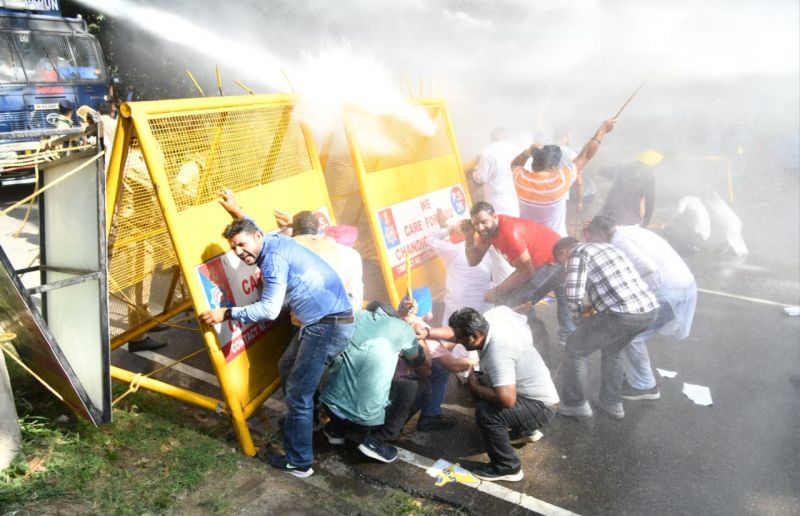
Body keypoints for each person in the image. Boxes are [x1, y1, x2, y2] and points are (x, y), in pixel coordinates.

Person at [199, 190, 354, 478]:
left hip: (327, 326)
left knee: (297, 392)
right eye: (233, 248)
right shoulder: (273, 240)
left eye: (241, 245)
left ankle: (300, 462)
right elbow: (251, 228)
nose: (238, 252)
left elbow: (269, 310)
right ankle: (309, 421)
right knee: (287, 367)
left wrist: (227, 313)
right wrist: (237, 212)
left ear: (257, 238)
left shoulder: (272, 261)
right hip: (323, 321)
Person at [425, 306, 559, 482]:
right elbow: (454, 334)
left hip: (542, 407)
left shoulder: (498, 353)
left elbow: (507, 400)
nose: (456, 341)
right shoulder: (488, 325)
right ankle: (525, 430)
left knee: (486, 413)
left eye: (460, 338)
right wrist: (427, 331)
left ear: (475, 336)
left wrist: (474, 386)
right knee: (483, 381)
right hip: (535, 395)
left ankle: (507, 466)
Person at [585, 215, 697, 400]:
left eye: (594, 238)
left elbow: (646, 267)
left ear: (602, 233)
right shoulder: (628, 230)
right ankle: (635, 376)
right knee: (630, 333)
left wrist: (623, 292)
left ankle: (645, 386)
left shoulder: (620, 241)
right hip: (680, 285)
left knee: (630, 335)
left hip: (669, 292)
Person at [553, 237, 658, 420]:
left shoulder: (577, 253)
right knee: (613, 350)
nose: (563, 267)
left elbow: (573, 293)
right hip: (648, 310)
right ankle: (611, 403)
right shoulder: (607, 248)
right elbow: (612, 285)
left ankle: (574, 404)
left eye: (559, 262)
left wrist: (578, 319)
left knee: (575, 347)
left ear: (563, 253)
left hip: (622, 313)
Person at [320, 301, 431, 464]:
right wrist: (421, 339)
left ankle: (336, 430)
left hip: (330, 409)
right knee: (420, 386)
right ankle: (377, 441)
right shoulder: (402, 329)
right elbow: (424, 369)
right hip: (363, 423)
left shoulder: (355, 316)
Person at [462, 201, 574, 344]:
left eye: (484, 222)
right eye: (476, 224)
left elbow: (526, 272)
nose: (480, 227)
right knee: (553, 296)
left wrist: (497, 291)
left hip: (553, 260)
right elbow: (473, 260)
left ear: (494, 217)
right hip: (546, 259)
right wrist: (468, 237)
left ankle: (535, 342)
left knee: (517, 301)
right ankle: (563, 337)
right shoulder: (486, 231)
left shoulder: (510, 234)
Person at [512, 118, 617, 236]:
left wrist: (527, 152)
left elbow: (515, 164)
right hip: (554, 242)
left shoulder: (521, 179)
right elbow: (585, 155)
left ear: (533, 163)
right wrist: (602, 130)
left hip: (528, 240)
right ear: (553, 167)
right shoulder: (559, 180)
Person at [598, 150, 662, 227]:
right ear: (652, 163)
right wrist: (645, 222)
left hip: (608, 212)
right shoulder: (649, 175)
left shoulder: (624, 165)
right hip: (628, 218)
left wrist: (618, 181)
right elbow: (650, 201)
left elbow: (602, 171)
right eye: (656, 165)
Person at [470, 127, 522, 217]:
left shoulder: (487, 151)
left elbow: (481, 178)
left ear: (492, 136)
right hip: (514, 200)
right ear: (506, 135)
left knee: (498, 228)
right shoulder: (517, 149)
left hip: (496, 201)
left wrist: (473, 172)